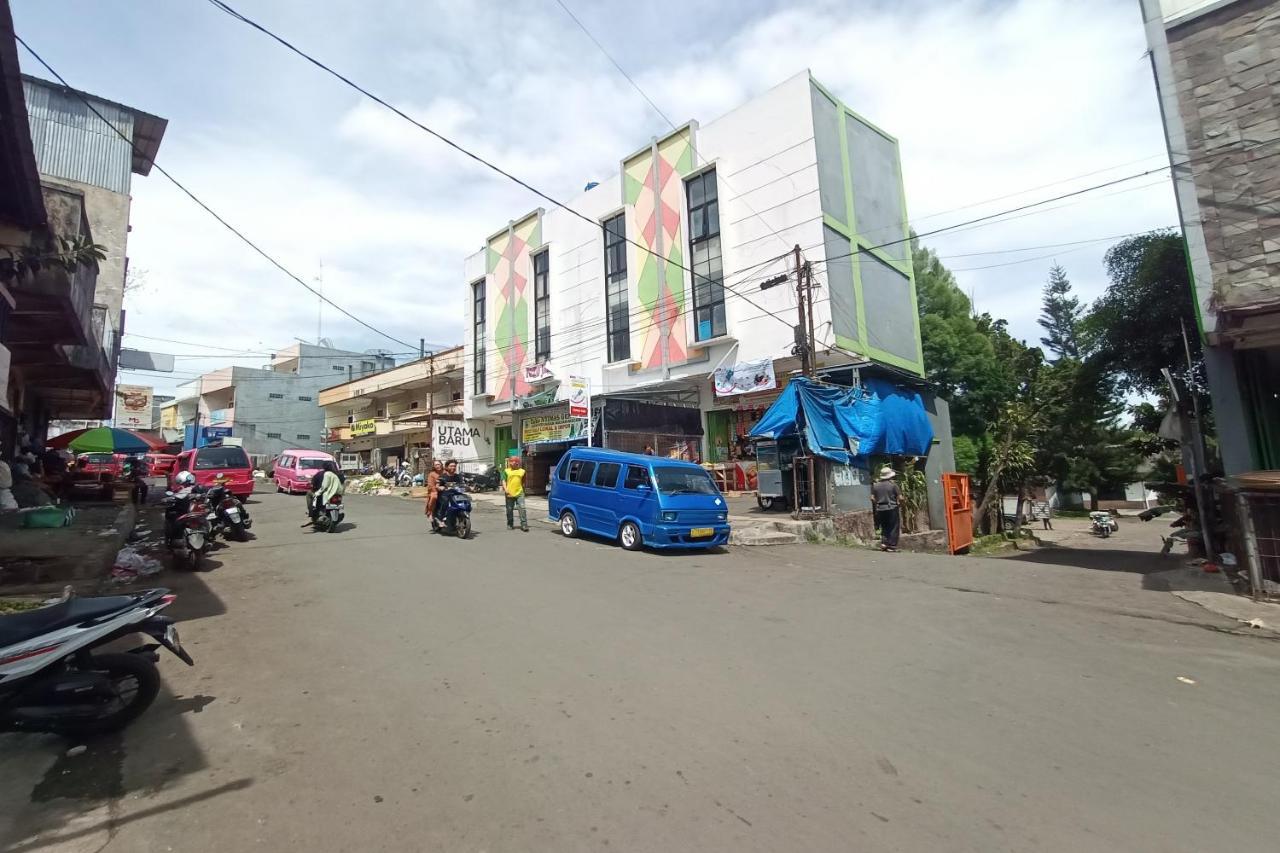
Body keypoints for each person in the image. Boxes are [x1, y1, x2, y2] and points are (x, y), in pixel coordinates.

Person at [871, 466, 901, 552]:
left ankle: (884, 543)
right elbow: (900, 497)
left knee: (884, 526)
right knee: (893, 527)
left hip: (880, 508)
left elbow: (872, 498)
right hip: (892, 507)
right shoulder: (893, 485)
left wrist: (877, 504)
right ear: (890, 476)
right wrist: (898, 503)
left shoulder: (876, 486)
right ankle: (891, 546)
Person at [503, 454, 528, 532]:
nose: (512, 462)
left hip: (519, 493)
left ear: (517, 462)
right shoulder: (506, 471)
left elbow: (523, 481)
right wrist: (506, 489)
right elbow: (503, 481)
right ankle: (510, 524)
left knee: (522, 508)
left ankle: (524, 525)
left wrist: (523, 491)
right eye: (511, 461)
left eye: (514, 461)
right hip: (509, 493)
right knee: (509, 509)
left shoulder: (522, 471)